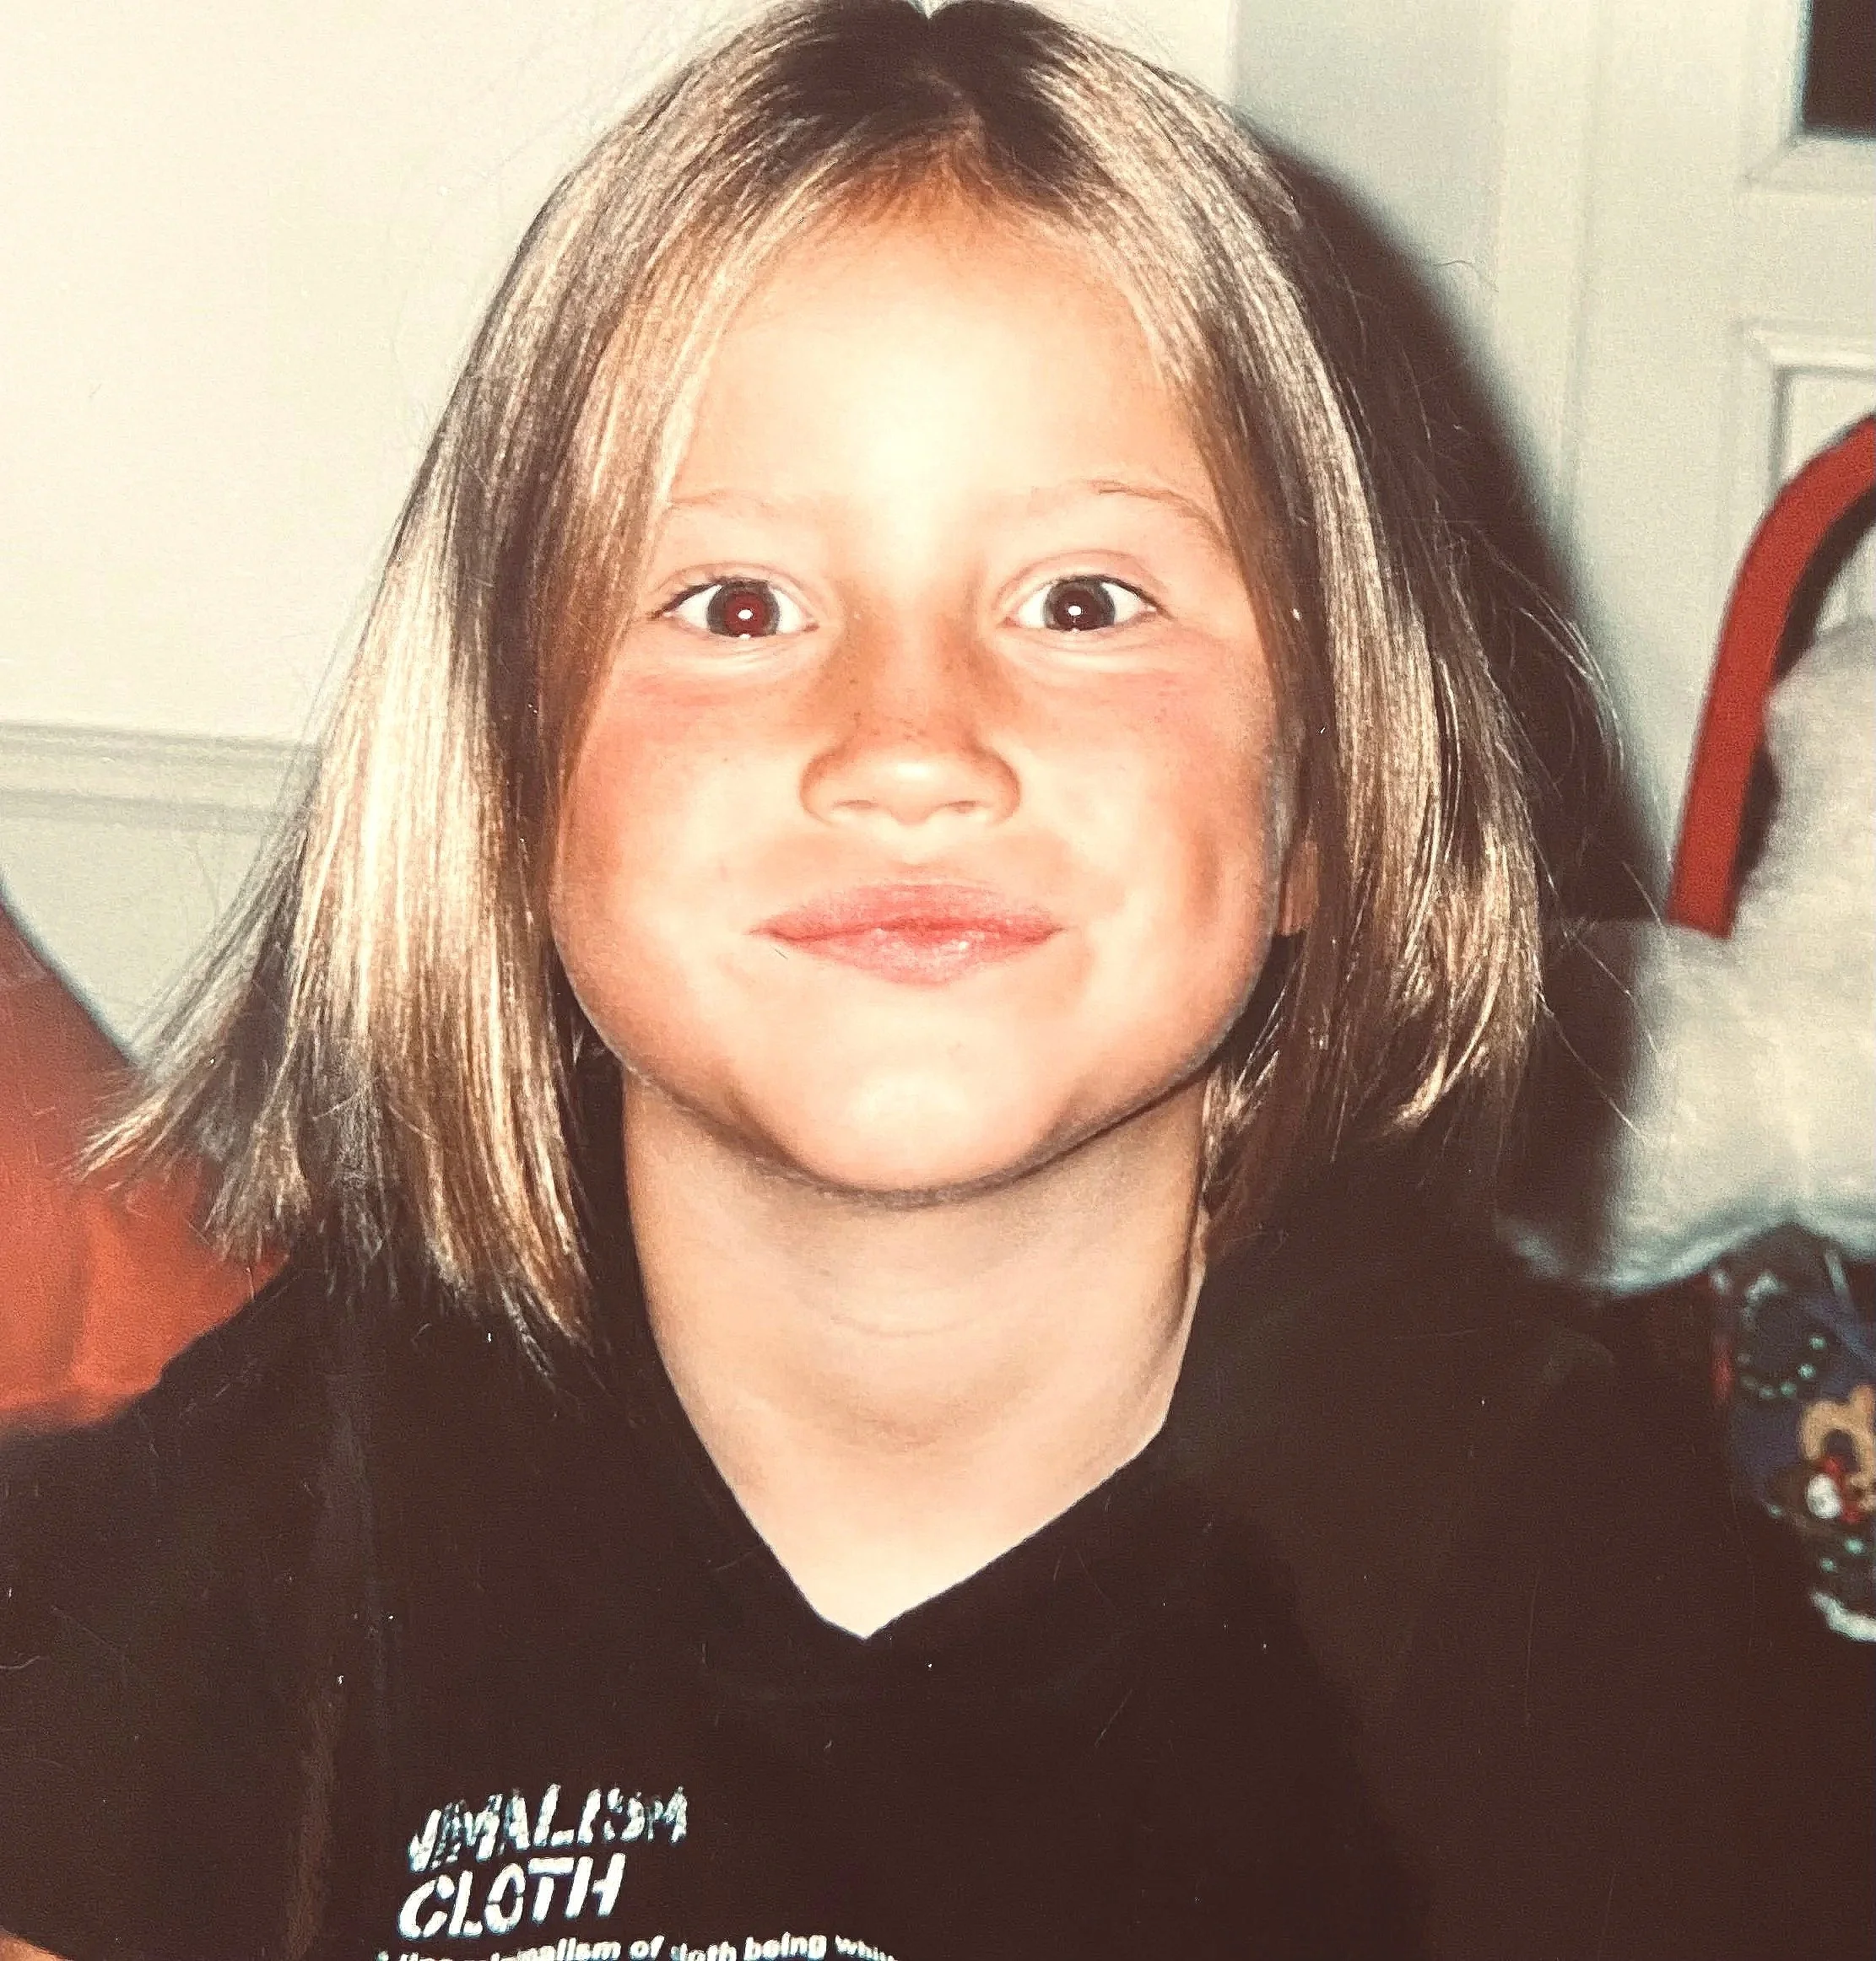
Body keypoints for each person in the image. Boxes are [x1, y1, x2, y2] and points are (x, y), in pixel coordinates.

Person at [1, 3, 1864, 1957]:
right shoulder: (296, 1503)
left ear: (1327, 795)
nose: (907, 740)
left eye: (1082, 602)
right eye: (736, 607)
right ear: (505, 791)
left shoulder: (1546, 1580)